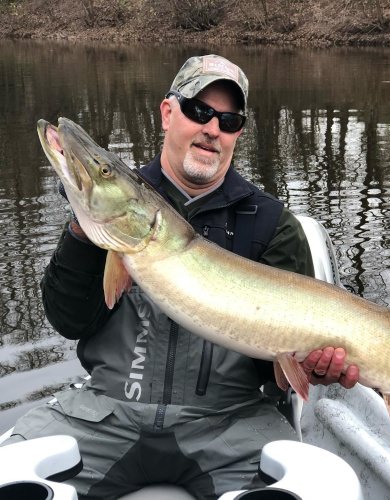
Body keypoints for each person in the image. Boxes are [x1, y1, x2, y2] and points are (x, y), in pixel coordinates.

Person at [4, 54, 359, 499]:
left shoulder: (272, 224)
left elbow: (277, 370)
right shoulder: (119, 204)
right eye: (199, 110)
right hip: (104, 414)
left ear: (237, 134)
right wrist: (81, 231)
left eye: (228, 120)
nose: (212, 128)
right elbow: (69, 321)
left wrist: (312, 362)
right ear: (168, 112)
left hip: (231, 426)